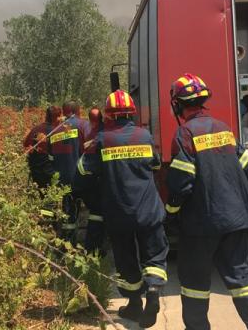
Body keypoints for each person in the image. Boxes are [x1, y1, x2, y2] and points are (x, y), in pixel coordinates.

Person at [166, 73, 248, 330]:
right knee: (243, 280)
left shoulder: (185, 134)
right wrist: (231, 192)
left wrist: (171, 213)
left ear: (178, 104)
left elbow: (182, 183)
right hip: (235, 220)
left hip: (201, 224)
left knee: (194, 285)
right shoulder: (224, 128)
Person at [75, 90, 168, 328]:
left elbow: (83, 170)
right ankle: (154, 292)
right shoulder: (144, 135)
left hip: (118, 211)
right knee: (154, 255)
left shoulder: (102, 140)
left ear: (108, 115)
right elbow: (156, 164)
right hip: (148, 209)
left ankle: (135, 304)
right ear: (132, 112)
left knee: (126, 259)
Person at [50, 101, 87, 242]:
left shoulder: (55, 129)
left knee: (68, 211)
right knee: (93, 210)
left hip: (62, 179)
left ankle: (67, 242)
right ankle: (90, 244)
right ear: (77, 110)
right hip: (81, 176)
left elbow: (51, 157)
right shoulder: (83, 125)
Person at [80, 107, 106, 254]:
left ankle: (93, 246)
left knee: (97, 212)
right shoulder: (95, 130)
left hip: (95, 175)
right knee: (98, 212)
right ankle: (94, 247)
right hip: (96, 176)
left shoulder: (95, 131)